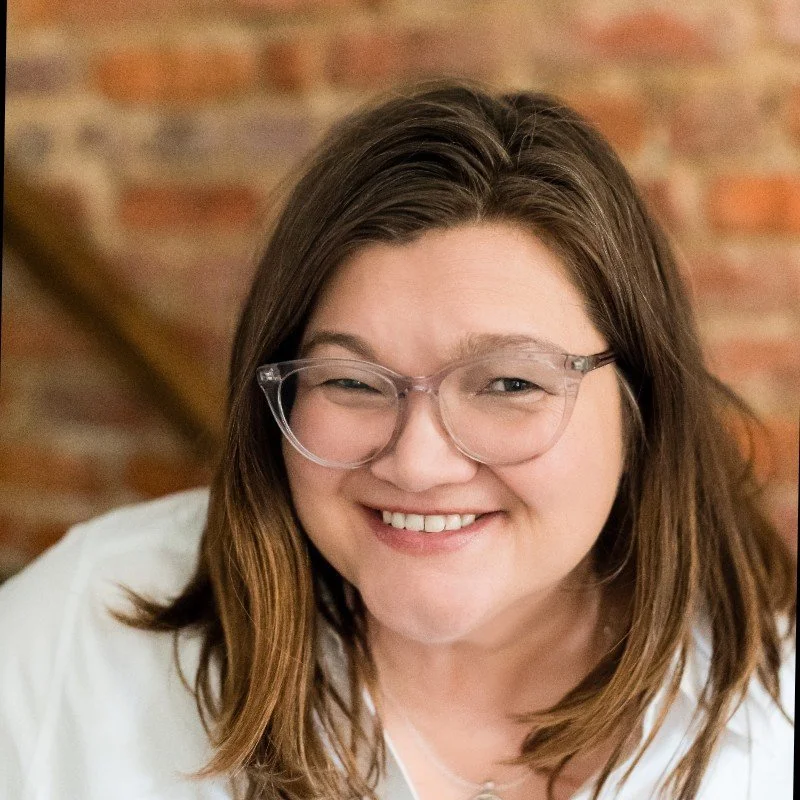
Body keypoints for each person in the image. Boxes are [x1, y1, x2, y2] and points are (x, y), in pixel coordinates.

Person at [0, 82, 795, 800]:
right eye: (350, 382)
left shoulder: (776, 718)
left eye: (510, 384)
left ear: (640, 401)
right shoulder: (74, 641)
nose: (417, 463)